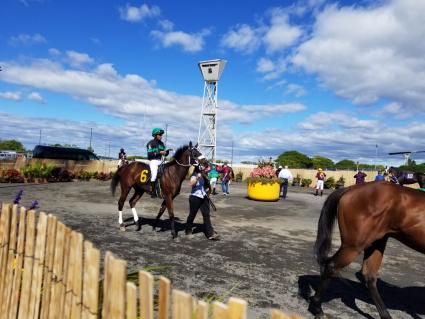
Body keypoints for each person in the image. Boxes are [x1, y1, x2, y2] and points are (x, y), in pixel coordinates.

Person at [185, 165, 220, 240]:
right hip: (195, 197)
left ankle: (210, 234)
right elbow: (191, 184)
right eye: (204, 167)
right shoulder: (194, 174)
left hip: (204, 197)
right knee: (192, 215)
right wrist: (197, 177)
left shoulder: (204, 175)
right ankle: (188, 230)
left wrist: (208, 192)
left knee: (206, 215)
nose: (205, 168)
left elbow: (207, 186)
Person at [146, 128, 172, 198]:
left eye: (161, 135)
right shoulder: (150, 143)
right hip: (153, 161)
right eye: (160, 134)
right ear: (155, 135)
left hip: (161, 161)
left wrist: (167, 151)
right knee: (154, 175)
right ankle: (152, 191)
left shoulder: (162, 144)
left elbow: (165, 154)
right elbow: (149, 155)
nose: (161, 136)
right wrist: (159, 152)